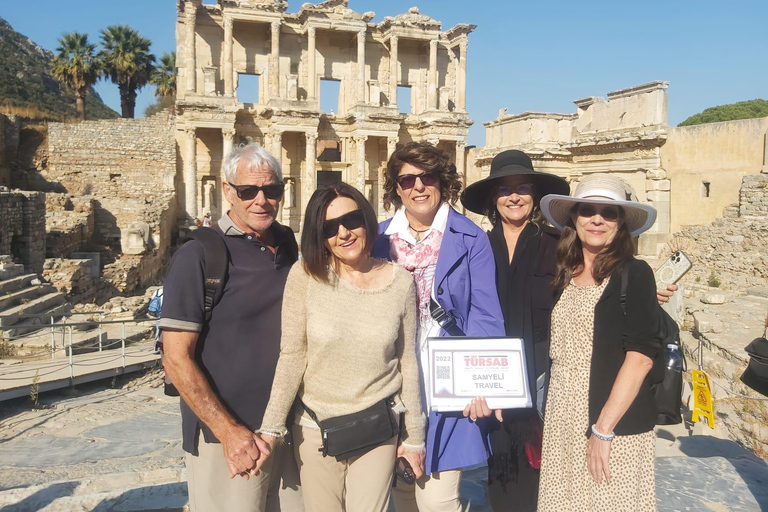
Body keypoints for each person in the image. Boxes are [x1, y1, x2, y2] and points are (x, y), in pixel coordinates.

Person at [256, 182, 425, 512]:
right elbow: (292, 355)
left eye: (352, 220)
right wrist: (271, 428)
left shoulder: (401, 282)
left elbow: (408, 362)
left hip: (378, 424)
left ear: (367, 220)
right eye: (330, 227)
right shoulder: (304, 276)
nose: (344, 233)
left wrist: (415, 436)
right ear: (319, 235)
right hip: (316, 429)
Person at [160, 143, 303, 512]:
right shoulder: (198, 255)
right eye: (248, 191)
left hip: (287, 427)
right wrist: (228, 432)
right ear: (227, 191)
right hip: (228, 436)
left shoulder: (287, 245)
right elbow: (175, 359)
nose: (261, 200)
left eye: (271, 190)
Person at [372, 141, 505, 512]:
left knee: (437, 500)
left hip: (446, 385)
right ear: (396, 188)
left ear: (442, 181)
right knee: (399, 493)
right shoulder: (377, 239)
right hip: (390, 383)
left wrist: (479, 383)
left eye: (427, 176)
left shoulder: (471, 238)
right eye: (407, 179)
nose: (418, 186)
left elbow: (484, 316)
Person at [537, 173, 662, 511]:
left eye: (608, 213)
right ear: (573, 218)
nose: (596, 219)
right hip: (562, 415)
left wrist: (603, 430)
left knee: (607, 501)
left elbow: (641, 358)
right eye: (587, 210)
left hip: (610, 416)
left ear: (621, 222)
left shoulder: (633, 274)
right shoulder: (564, 272)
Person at [460, 149, 570, 511]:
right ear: (494, 198)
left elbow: (592, 292)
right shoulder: (476, 248)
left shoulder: (559, 246)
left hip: (543, 377)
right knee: (502, 472)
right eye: (505, 189)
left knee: (545, 474)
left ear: (534, 195)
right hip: (492, 375)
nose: (514, 196)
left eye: (522, 187)